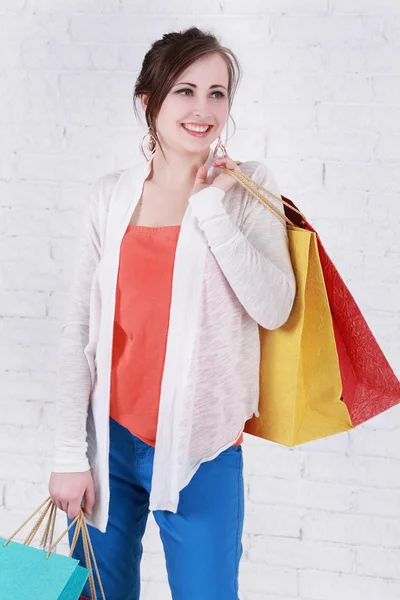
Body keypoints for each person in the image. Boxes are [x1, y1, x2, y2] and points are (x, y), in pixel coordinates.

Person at [48, 26, 296, 600]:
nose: (203, 109)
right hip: (106, 441)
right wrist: (69, 453)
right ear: (148, 101)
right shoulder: (110, 196)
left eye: (217, 93)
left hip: (202, 448)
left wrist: (208, 203)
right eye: (185, 91)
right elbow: (80, 332)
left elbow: (274, 306)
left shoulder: (247, 188)